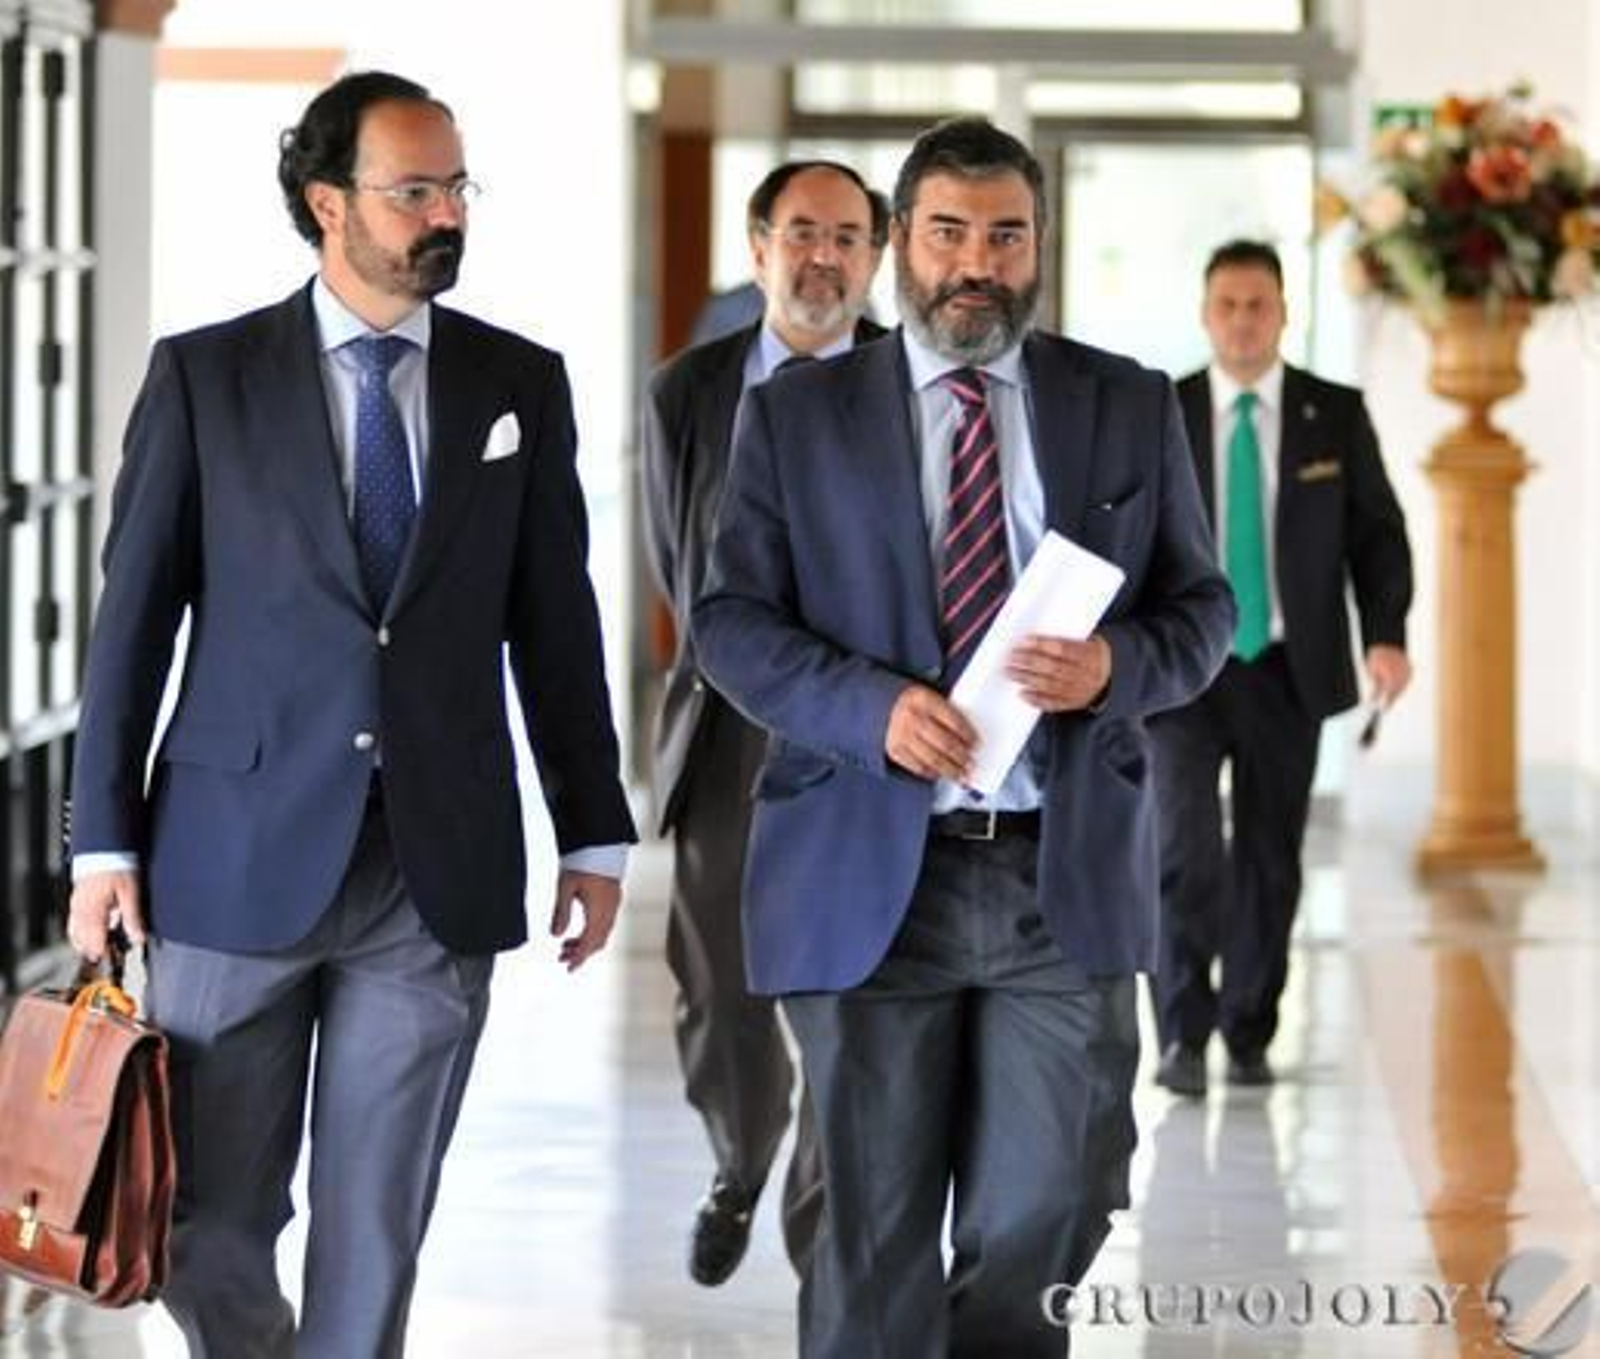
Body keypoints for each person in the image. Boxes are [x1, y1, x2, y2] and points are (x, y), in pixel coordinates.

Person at [65, 71, 636, 1357]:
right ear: (330, 204)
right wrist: (102, 841)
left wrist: (593, 830)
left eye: (456, 187)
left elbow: (556, 621)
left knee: (377, 1222)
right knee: (207, 1221)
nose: (448, 214)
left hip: (430, 868)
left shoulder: (517, 384)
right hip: (230, 859)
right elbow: (132, 623)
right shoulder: (207, 377)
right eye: (414, 190)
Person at [692, 116, 1234, 1357]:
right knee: (871, 1237)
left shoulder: (1124, 403)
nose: (976, 263)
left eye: (1005, 235)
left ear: (1039, 244)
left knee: (1049, 1210)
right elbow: (730, 624)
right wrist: (869, 709)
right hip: (870, 880)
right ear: (900, 243)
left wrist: (1113, 667)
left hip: (1061, 873)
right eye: (948, 233)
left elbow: (1203, 612)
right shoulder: (798, 415)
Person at [641, 159, 889, 1286]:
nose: (822, 256)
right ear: (757, 248)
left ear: (874, 258)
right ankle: (741, 1158)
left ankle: (823, 1231)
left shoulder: (912, 385)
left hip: (864, 729)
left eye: (846, 237)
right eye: (801, 233)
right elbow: (675, 561)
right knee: (719, 986)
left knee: (851, 999)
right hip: (729, 723)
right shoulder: (686, 392)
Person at [1151, 239, 1413, 1099]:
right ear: (1204, 314)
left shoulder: (1331, 413)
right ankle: (1182, 1031)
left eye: (1257, 304)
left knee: (1270, 855)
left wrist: (1385, 635)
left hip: (1286, 667)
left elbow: (1378, 535)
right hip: (1184, 668)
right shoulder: (1163, 411)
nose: (1242, 321)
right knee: (1183, 848)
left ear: (1284, 313)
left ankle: (1248, 1027)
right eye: (1227, 305)